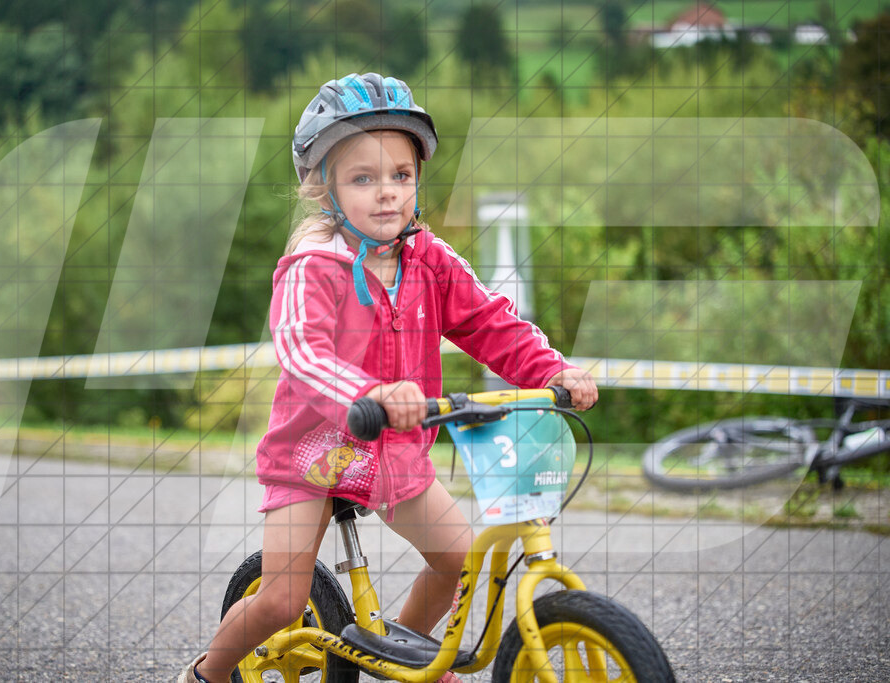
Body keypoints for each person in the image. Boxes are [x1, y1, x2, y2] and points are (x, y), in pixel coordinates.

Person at [178, 73, 598, 683]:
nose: (387, 195)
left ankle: (405, 654)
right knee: (281, 598)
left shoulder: (428, 258)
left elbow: (490, 322)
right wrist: (365, 394)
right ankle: (206, 674)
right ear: (324, 188)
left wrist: (552, 368)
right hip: (312, 453)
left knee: (461, 561)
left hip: (394, 451)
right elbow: (301, 349)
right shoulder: (313, 264)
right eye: (363, 179)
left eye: (401, 175)